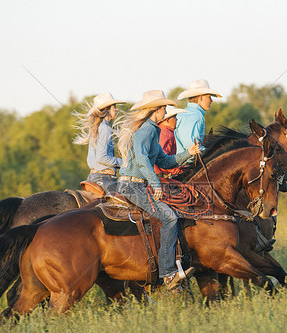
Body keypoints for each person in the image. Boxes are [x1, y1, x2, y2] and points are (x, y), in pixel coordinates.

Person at [117, 90, 201, 291]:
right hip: (132, 185)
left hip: (137, 184)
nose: (166, 111)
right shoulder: (146, 131)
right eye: (164, 108)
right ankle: (168, 273)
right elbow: (143, 159)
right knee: (169, 217)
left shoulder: (152, 131)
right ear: (156, 109)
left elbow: (164, 160)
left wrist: (188, 153)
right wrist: (155, 183)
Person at [73, 92, 125, 193]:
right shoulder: (105, 128)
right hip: (105, 179)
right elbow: (102, 158)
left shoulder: (96, 127)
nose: (116, 109)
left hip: (93, 177)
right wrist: (124, 163)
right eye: (114, 107)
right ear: (107, 109)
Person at [174, 79, 222, 153]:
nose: (211, 100)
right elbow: (191, 145)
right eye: (209, 97)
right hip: (187, 163)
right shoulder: (195, 115)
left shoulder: (186, 113)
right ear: (201, 97)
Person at [154, 105, 187, 176]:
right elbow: (162, 161)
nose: (177, 120)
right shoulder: (166, 133)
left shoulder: (162, 131)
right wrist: (177, 170)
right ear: (167, 119)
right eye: (175, 117)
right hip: (163, 174)